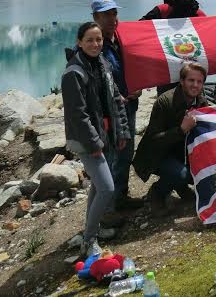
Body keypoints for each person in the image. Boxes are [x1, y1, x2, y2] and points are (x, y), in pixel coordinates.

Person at [62, 22, 130, 258]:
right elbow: (78, 116)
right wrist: (95, 145)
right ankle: (89, 240)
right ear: (79, 42)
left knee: (98, 186)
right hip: (88, 140)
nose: (95, 44)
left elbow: (115, 99)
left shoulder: (103, 64)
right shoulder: (74, 73)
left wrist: (121, 132)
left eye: (99, 39)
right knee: (107, 188)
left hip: (105, 135)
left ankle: (93, 230)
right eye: (90, 40)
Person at [133, 63, 210, 216]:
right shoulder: (165, 101)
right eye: (191, 80)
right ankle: (157, 193)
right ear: (182, 81)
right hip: (157, 154)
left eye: (199, 81)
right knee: (182, 174)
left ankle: (179, 186)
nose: (195, 85)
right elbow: (154, 140)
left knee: (200, 171)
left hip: (180, 152)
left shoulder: (201, 101)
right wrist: (181, 130)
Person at [90, 0, 144, 210]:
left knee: (125, 153)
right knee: (111, 156)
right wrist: (114, 97)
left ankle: (120, 196)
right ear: (96, 17)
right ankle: (107, 208)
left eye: (114, 13)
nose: (112, 19)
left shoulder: (119, 40)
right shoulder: (94, 45)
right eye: (106, 15)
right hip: (107, 114)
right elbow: (93, 83)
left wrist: (136, 86)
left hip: (128, 107)